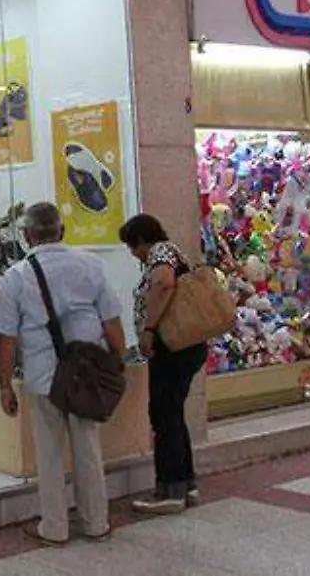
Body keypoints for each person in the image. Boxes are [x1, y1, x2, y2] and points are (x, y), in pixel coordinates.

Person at [0, 203, 125, 544]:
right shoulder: (91, 265)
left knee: (49, 454)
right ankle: (96, 522)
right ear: (62, 231)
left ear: (26, 235)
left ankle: (54, 526)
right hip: (85, 374)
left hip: (44, 377)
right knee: (88, 449)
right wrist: (116, 362)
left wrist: (5, 386)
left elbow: (6, 338)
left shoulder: (17, 276)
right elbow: (112, 322)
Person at [120, 213, 205, 514]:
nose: (134, 254)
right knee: (173, 415)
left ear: (142, 240)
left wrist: (149, 329)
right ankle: (186, 484)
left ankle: (170, 489)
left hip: (172, 348)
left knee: (164, 416)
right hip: (186, 347)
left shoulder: (161, 252)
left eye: (132, 247)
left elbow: (164, 283)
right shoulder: (173, 251)